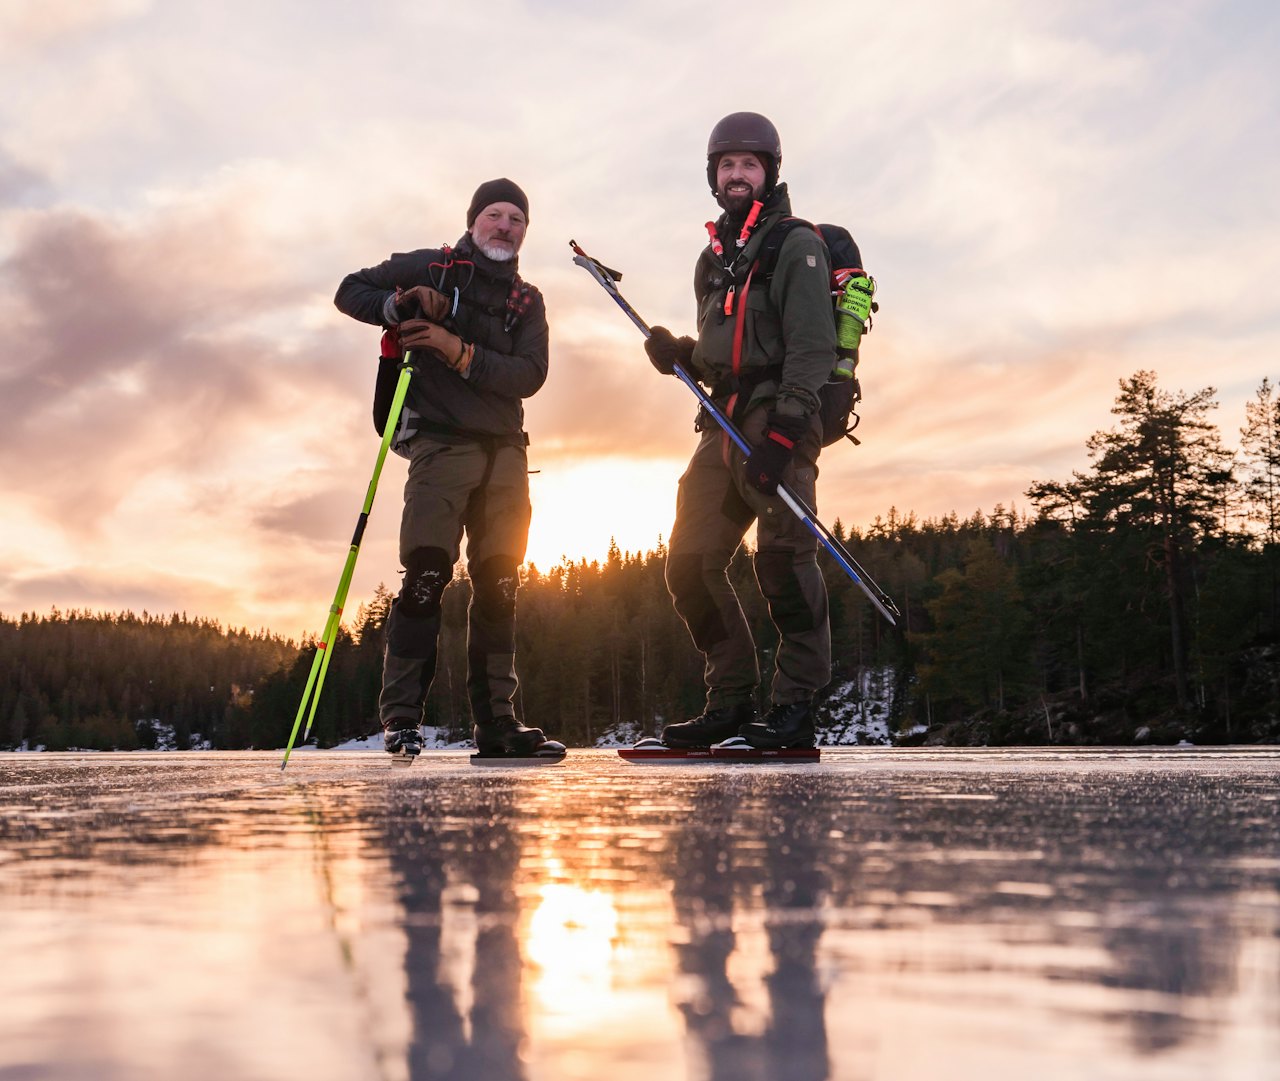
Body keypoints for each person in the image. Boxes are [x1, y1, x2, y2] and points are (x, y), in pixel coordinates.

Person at [334, 178, 563, 760]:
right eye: (494, 215)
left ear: (524, 232)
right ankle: (402, 722)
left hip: (507, 453)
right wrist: (398, 304)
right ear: (473, 221)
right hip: (440, 448)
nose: (505, 226)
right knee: (427, 578)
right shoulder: (431, 268)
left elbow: (529, 376)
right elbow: (348, 290)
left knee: (500, 588)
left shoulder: (528, 300)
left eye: (516, 218)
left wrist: (454, 350)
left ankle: (498, 728)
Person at [645, 112, 836, 751]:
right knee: (691, 565)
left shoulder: (796, 243)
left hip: (778, 418)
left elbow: (811, 344)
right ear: (712, 176)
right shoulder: (713, 256)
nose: (736, 174)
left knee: (783, 563)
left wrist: (785, 432)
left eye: (749, 164)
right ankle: (729, 702)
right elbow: (720, 348)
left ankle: (794, 708)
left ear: (769, 173)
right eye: (726, 165)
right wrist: (681, 352)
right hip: (720, 426)